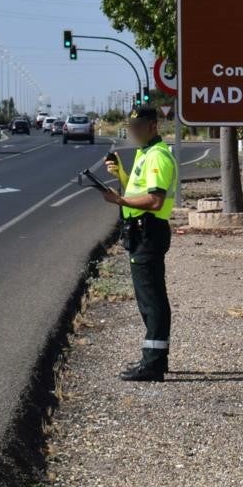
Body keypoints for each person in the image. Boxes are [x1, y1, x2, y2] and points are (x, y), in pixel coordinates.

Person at [102, 107, 178, 382]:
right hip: (140, 231)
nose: (132, 131)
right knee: (148, 298)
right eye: (130, 126)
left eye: (137, 126)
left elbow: (154, 200)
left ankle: (154, 364)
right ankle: (153, 358)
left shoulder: (157, 156)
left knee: (152, 300)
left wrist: (119, 201)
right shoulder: (145, 153)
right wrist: (120, 175)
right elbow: (139, 190)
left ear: (153, 126)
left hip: (149, 231)